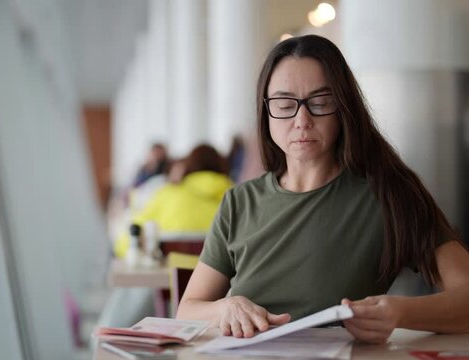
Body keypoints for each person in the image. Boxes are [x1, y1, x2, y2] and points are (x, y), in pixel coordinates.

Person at [176, 35, 469, 344]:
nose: (302, 120)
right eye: (285, 104)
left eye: (320, 103)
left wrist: (400, 311)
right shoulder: (239, 202)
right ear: (266, 112)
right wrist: (225, 308)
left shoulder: (391, 195)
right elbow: (188, 309)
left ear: (343, 108)